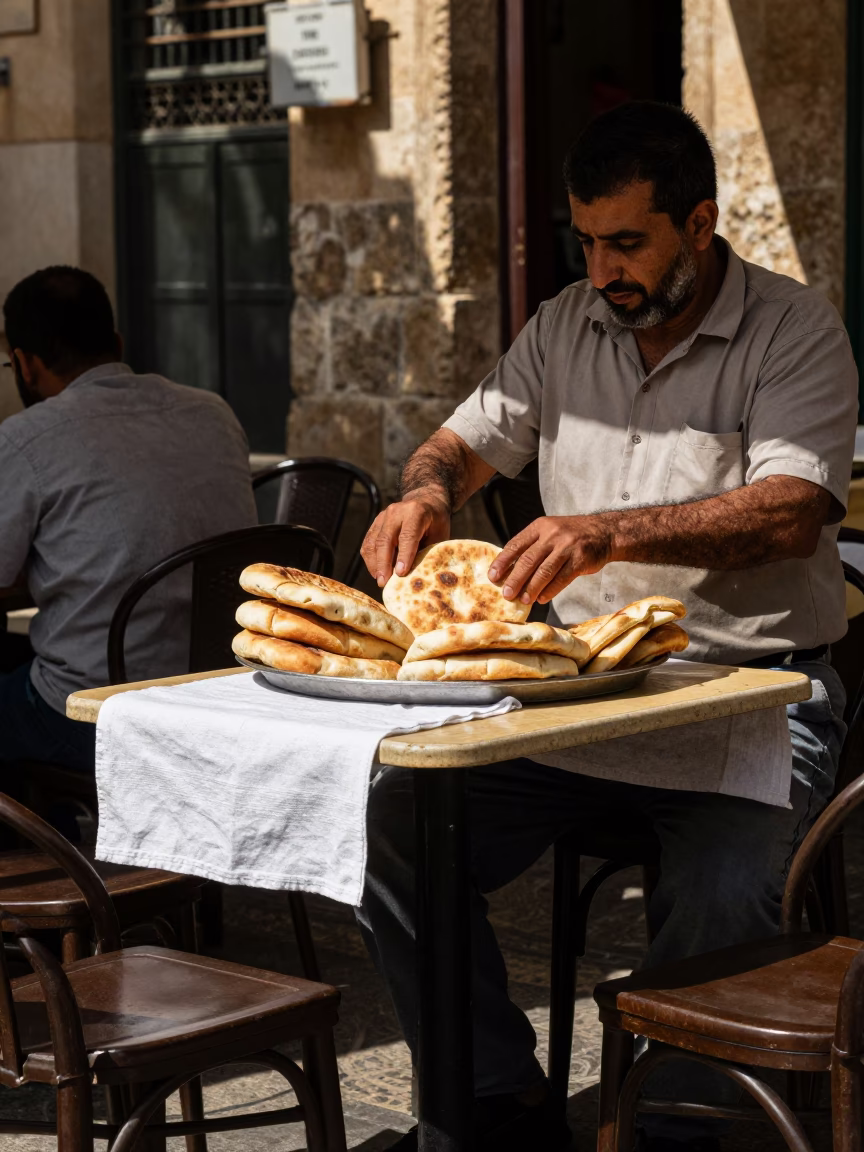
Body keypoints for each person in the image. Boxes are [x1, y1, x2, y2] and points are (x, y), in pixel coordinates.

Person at [356, 102, 858, 1152]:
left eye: (628, 241)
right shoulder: (565, 322)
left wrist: (605, 534)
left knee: (722, 889)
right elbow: (460, 440)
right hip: (576, 694)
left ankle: (686, 1123)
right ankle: (492, 1095)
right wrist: (427, 493)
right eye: (587, 241)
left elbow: (792, 508)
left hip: (753, 696)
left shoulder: (794, 327)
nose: (604, 269)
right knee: (389, 830)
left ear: (702, 222)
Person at [0, 266, 257, 781]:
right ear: (116, 342)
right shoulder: (215, 413)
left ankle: (46, 841)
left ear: (25, 365)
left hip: (98, 712)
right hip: (219, 695)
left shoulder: (27, 439)